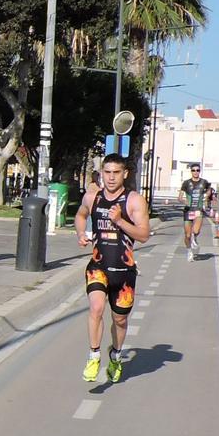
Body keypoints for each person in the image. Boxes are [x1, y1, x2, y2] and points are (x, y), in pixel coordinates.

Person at [75, 152, 150, 384]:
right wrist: (80, 232)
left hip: (124, 272)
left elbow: (144, 234)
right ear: (101, 174)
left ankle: (115, 355)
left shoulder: (134, 200)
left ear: (125, 174)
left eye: (116, 173)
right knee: (96, 309)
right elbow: (80, 214)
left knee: (120, 320)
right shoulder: (92, 197)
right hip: (98, 265)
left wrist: (119, 221)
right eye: (106, 173)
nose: (110, 178)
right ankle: (94, 355)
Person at [177, 162, 213, 260]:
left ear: (200, 171)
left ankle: (195, 237)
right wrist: (184, 201)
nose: (196, 172)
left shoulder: (204, 182)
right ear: (191, 172)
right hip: (188, 210)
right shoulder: (186, 183)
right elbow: (179, 197)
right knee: (187, 235)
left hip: (198, 210)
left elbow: (209, 190)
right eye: (193, 170)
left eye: (197, 170)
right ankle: (189, 251)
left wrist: (206, 196)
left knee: (196, 230)